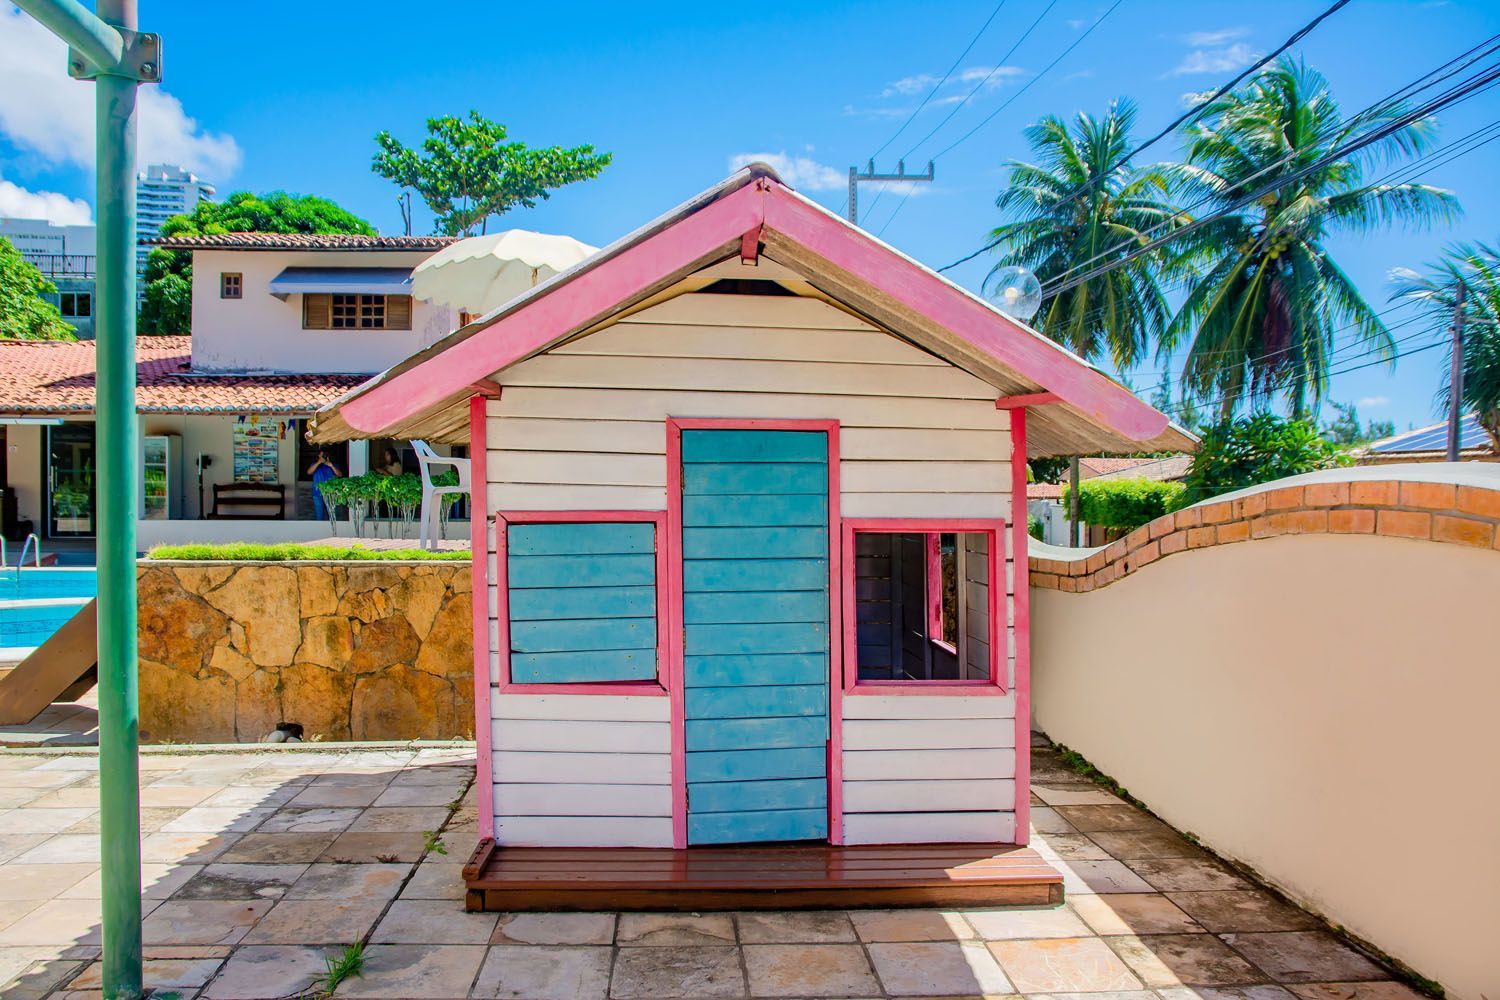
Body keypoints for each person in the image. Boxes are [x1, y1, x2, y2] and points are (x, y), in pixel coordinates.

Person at [307, 449, 342, 520]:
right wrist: (319, 462)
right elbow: (309, 472)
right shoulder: (314, 465)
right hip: (318, 493)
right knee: (319, 517)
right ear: (319, 455)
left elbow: (340, 475)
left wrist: (331, 465)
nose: (324, 457)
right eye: (322, 455)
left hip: (331, 494)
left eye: (325, 455)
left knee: (332, 516)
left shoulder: (334, 465)